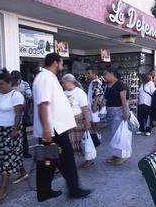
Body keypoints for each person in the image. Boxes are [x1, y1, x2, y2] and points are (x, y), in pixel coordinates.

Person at [33, 53, 91, 202]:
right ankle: (74, 190)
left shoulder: (49, 77)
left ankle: (44, 192)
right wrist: (47, 129)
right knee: (66, 161)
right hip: (53, 130)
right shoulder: (44, 78)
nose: (62, 65)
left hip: (54, 129)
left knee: (47, 163)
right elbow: (43, 105)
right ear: (55, 62)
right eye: (61, 62)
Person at [0, 69, 28, 202]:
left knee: (6, 158)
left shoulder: (16, 95)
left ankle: (2, 189)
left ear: (9, 83)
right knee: (9, 155)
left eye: (2, 84)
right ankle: (23, 173)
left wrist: (15, 130)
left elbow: (19, 115)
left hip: (11, 131)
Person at [62, 74, 94, 168]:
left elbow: (84, 109)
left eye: (64, 83)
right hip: (68, 121)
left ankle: (89, 159)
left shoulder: (80, 93)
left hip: (79, 121)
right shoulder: (64, 93)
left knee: (83, 142)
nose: (63, 85)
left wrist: (87, 122)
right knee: (70, 142)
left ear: (70, 82)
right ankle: (70, 160)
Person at [103, 68, 129, 165]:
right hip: (110, 112)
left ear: (112, 74)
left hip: (118, 111)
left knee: (118, 134)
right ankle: (115, 154)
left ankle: (121, 156)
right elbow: (105, 98)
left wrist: (125, 112)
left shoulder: (120, 84)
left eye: (106, 74)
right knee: (113, 135)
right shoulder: (107, 85)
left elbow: (124, 99)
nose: (104, 76)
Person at [10, 70, 32, 158]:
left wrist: (21, 94)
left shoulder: (25, 84)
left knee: (23, 133)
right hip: (12, 113)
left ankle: (25, 152)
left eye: (16, 80)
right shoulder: (10, 84)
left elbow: (29, 95)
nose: (15, 82)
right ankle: (14, 152)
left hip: (23, 112)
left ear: (19, 79)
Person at [86, 67, 104, 135]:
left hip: (94, 104)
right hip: (92, 104)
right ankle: (97, 134)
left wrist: (95, 105)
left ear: (93, 73)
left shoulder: (96, 81)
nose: (88, 75)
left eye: (89, 73)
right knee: (93, 121)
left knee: (95, 121)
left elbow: (97, 94)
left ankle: (98, 135)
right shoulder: (93, 81)